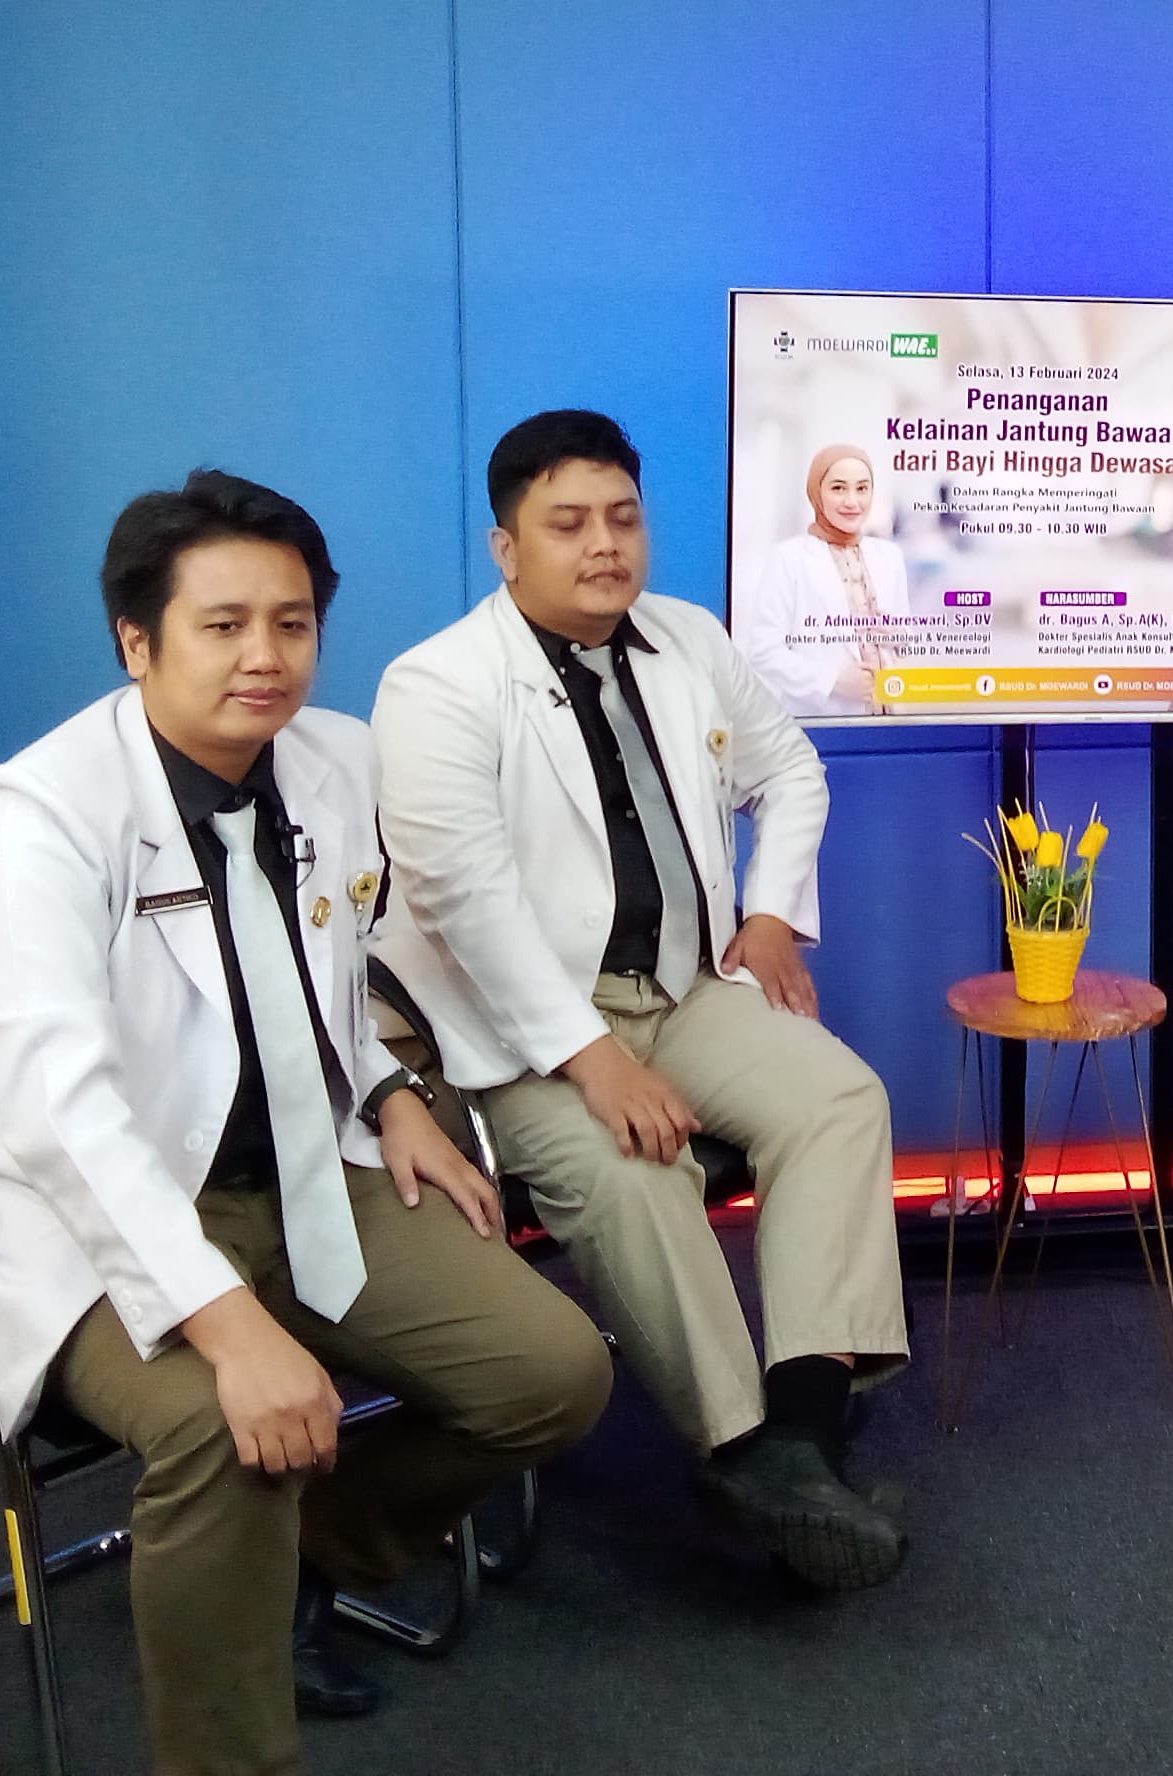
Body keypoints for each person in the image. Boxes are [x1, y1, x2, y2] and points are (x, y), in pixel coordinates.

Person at [0, 471, 613, 1776]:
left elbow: (322, 980)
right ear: (137, 641)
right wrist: (228, 1326)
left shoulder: (334, 763)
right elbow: (59, 1110)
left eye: (292, 623)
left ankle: (300, 1561)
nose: (264, 658)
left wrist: (388, 1094)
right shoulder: (36, 816)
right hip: (84, 1214)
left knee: (553, 1375)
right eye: (221, 625)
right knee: (225, 1429)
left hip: (302, 1164)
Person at [371, 408, 912, 1591]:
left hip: (679, 985)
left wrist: (770, 914)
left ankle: (802, 1434)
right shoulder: (437, 685)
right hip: (521, 1033)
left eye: (622, 517)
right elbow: (463, 899)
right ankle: (739, 1446)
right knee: (633, 1173)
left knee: (839, 1099)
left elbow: (790, 769)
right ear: (506, 547)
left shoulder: (687, 637)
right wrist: (593, 1060)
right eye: (567, 524)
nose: (604, 545)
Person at [734, 443, 914, 717]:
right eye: (838, 488)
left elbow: (907, 638)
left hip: (888, 716)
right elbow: (764, 651)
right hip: (823, 720)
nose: (852, 502)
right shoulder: (789, 557)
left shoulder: (889, 556)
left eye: (862, 488)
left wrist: (897, 636)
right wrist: (833, 683)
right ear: (817, 492)